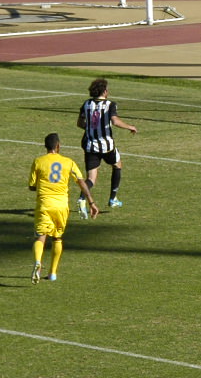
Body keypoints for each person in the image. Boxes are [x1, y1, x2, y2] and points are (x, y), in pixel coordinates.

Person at [29, 132, 95, 283]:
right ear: (58, 146)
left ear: (46, 147)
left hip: (45, 203)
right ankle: (52, 273)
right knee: (57, 237)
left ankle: (38, 262)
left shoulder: (38, 161)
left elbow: (32, 186)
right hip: (61, 205)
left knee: (40, 236)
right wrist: (91, 202)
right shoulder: (69, 162)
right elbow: (81, 182)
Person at [77, 78, 138, 208]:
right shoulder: (110, 104)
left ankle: (82, 198)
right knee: (117, 165)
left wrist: (91, 128)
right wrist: (130, 127)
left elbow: (80, 123)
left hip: (90, 146)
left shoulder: (86, 104)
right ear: (105, 91)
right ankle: (112, 198)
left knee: (91, 179)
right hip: (107, 146)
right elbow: (115, 121)